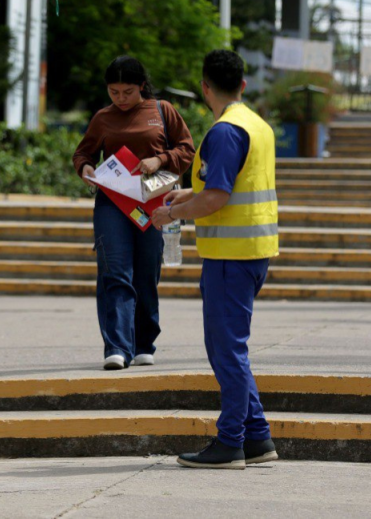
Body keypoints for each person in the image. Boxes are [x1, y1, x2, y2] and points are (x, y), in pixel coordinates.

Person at [152, 49, 278, 470]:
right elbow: (227, 187)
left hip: (230, 255)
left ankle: (230, 443)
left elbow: (217, 197)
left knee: (226, 351)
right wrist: (186, 195)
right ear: (243, 84)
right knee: (232, 349)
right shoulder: (257, 125)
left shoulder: (224, 132)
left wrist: (170, 213)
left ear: (205, 87)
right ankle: (257, 437)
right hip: (252, 250)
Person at [73, 56, 194, 371]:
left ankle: (143, 343)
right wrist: (85, 167)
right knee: (114, 271)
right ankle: (116, 346)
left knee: (146, 272)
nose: (120, 99)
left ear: (141, 86)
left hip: (153, 203)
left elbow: (187, 149)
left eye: (127, 91)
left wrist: (160, 160)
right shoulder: (103, 117)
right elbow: (83, 152)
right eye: (114, 92)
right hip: (112, 203)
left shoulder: (162, 111)